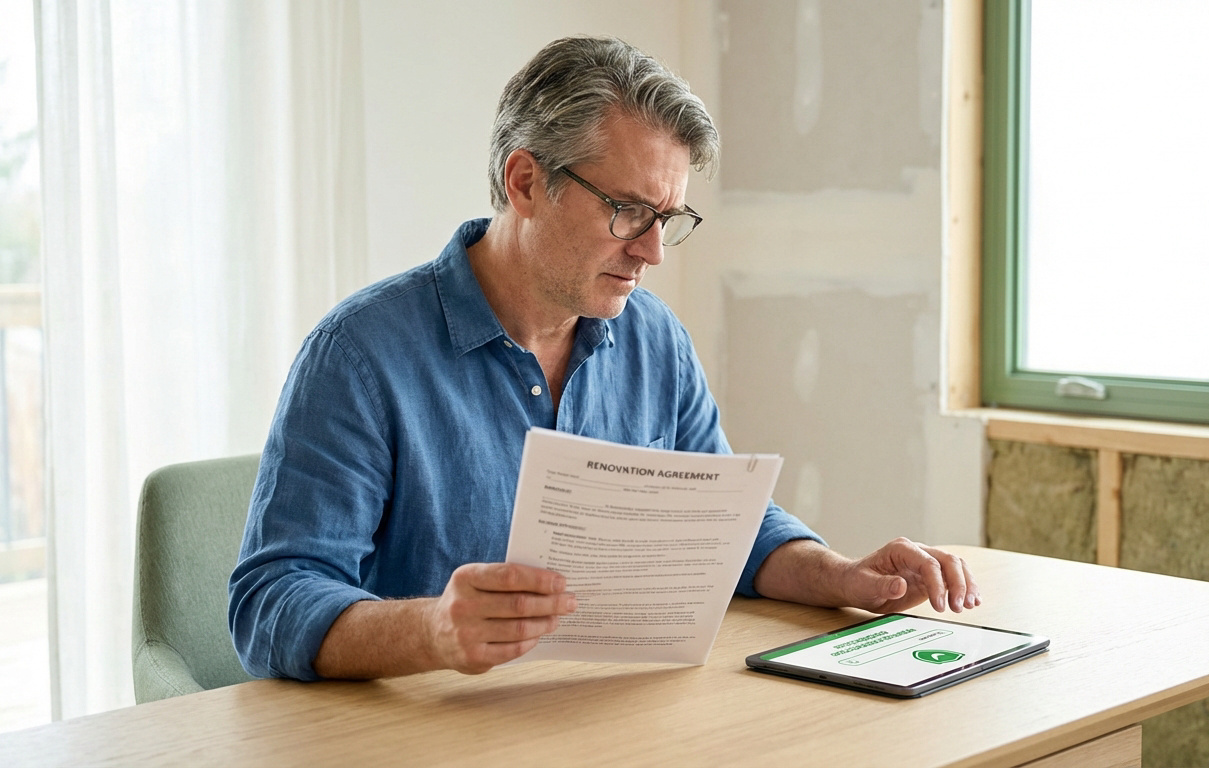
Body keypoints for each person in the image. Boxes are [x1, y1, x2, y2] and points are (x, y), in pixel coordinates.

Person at [228, 35, 979, 682]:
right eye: (627, 211)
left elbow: (726, 533)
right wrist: (434, 631)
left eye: (668, 217)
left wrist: (841, 575)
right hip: (425, 735)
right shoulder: (360, 356)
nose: (652, 251)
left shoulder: (654, 339)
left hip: (604, 717)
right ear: (526, 183)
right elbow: (271, 603)